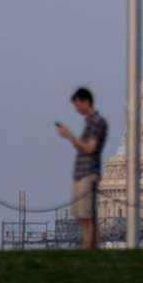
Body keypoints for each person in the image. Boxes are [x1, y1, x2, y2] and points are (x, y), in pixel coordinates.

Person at [55, 87, 108, 249]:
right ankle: (91, 249)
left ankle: (89, 249)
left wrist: (70, 135)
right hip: (81, 174)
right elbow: (83, 148)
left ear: (86, 102)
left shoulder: (97, 122)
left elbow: (89, 148)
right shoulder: (89, 123)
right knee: (82, 216)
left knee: (86, 216)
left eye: (77, 104)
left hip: (88, 173)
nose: (75, 108)